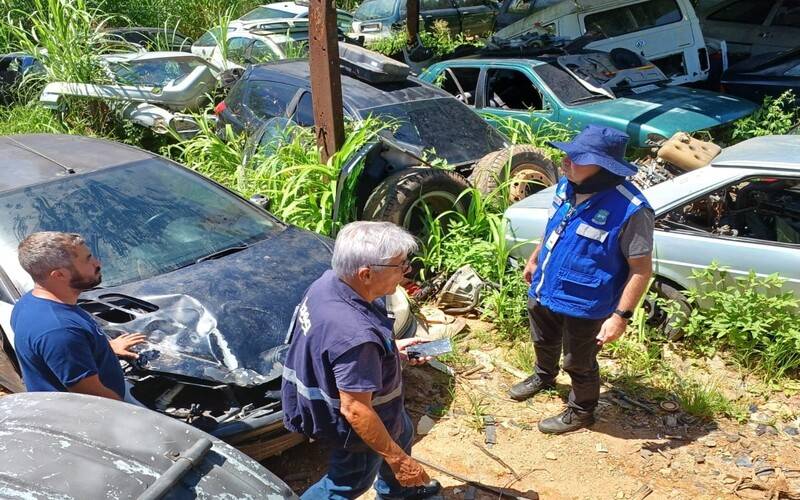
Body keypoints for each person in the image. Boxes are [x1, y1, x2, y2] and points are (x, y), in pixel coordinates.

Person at [509, 125, 654, 434]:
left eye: (577, 158)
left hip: (587, 303)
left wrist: (621, 317)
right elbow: (555, 226)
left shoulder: (631, 209)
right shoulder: (566, 187)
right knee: (543, 339)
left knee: (579, 361)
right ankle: (543, 375)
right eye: (568, 154)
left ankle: (581, 411)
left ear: (604, 166)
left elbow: (641, 270)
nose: (566, 161)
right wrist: (536, 258)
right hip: (545, 285)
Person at [281, 221, 440, 500]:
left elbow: (337, 354)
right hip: (359, 427)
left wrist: (392, 350)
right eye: (399, 265)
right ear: (366, 273)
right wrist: (399, 461)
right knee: (347, 483)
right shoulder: (355, 335)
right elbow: (356, 409)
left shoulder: (329, 283)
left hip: (385, 409)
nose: (407, 271)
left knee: (400, 432)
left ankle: (398, 494)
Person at [11, 231, 145, 401]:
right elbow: (96, 399)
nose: (98, 263)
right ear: (59, 275)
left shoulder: (27, 303)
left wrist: (107, 349)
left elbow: (61, 356)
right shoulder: (59, 330)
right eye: (88, 259)